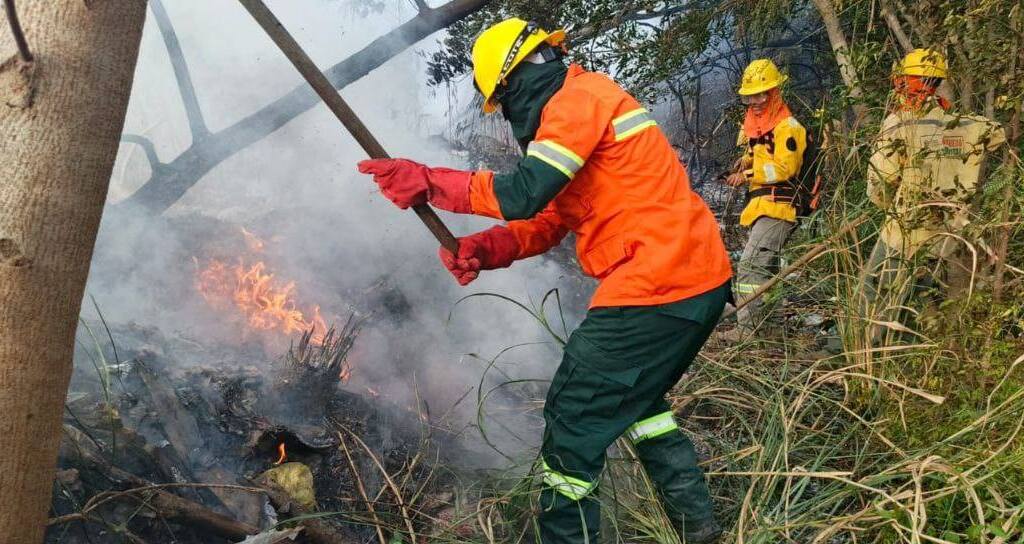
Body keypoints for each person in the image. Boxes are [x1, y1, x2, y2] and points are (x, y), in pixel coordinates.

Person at [356, 18, 731, 544]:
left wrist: (429, 182)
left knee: (573, 416)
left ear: (511, 82)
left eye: (502, 101)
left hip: (658, 283)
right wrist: (485, 248)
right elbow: (549, 218)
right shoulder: (581, 105)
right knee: (638, 402)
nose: (508, 114)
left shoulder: (576, 101)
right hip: (692, 278)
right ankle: (698, 527)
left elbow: (523, 193)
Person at [863, 49, 1006, 342]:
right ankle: (907, 356)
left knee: (874, 293)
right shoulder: (967, 125)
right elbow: (1000, 134)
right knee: (917, 299)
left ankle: (849, 354)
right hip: (946, 233)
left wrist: (889, 207)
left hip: (903, 230)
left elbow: (881, 183)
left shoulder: (899, 123)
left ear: (905, 81)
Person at [722, 59, 807, 338]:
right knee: (766, 271)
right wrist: (744, 162)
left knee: (750, 268)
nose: (755, 102)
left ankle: (746, 331)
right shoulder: (760, 127)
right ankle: (769, 330)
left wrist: (747, 175)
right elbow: (759, 154)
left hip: (779, 208)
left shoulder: (787, 127)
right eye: (750, 97)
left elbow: (785, 168)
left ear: (774, 93)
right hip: (763, 206)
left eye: (761, 95)